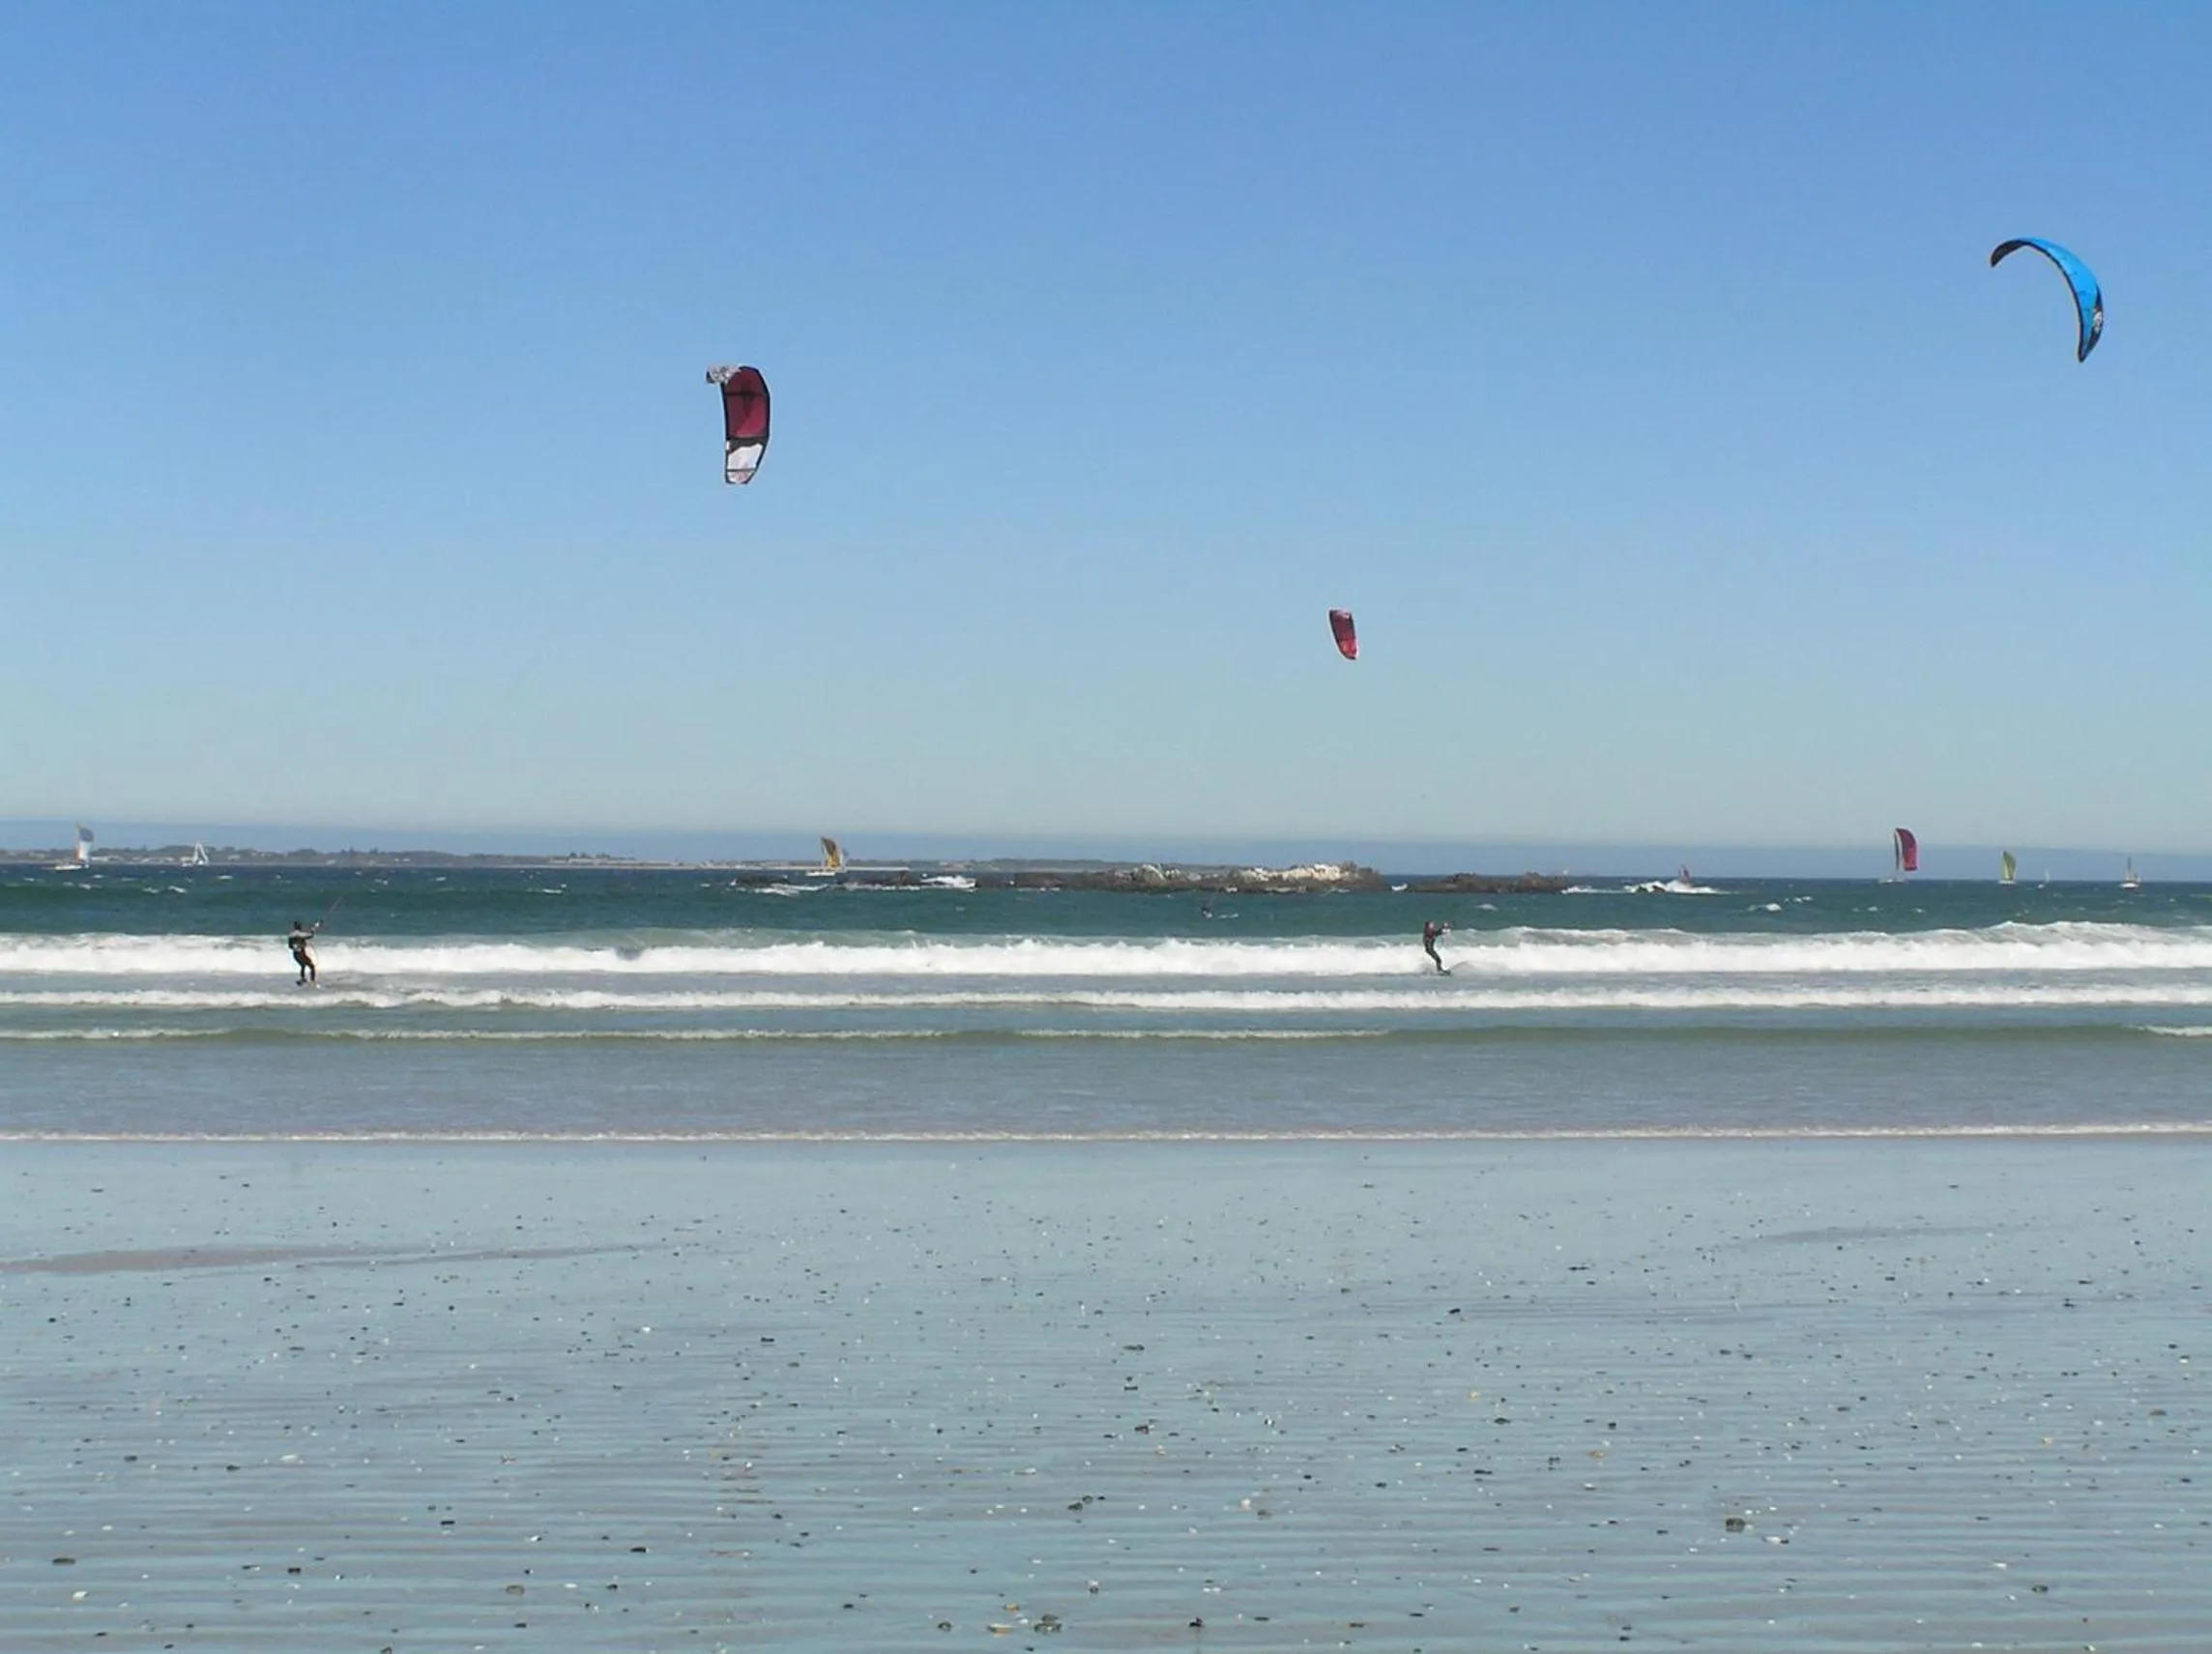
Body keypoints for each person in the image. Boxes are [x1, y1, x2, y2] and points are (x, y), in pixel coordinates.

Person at [286, 918, 319, 986]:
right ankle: (312, 981)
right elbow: (310, 936)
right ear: (299, 926)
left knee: (303, 965)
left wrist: (296, 947)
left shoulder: (290, 935)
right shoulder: (299, 934)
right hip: (301, 953)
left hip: (295, 954)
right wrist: (313, 929)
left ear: (294, 926)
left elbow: (290, 946)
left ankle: (303, 979)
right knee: (312, 966)